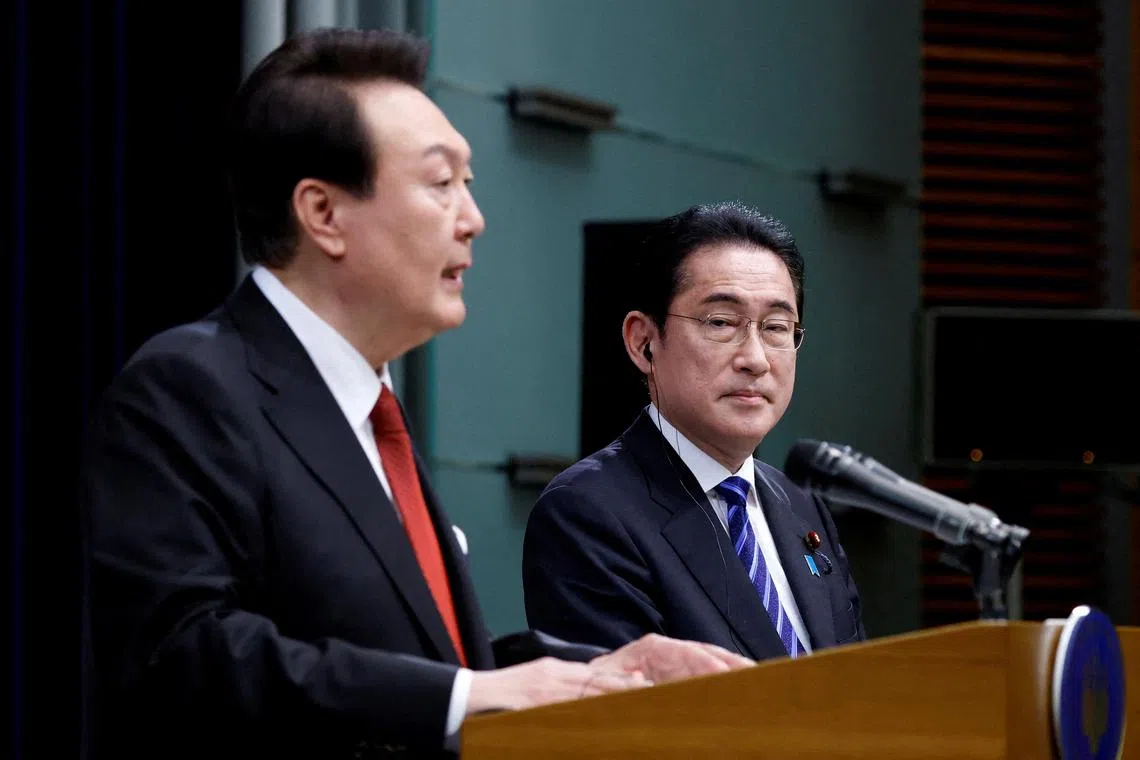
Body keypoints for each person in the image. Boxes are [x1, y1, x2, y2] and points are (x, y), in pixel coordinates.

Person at [78, 29, 752, 760]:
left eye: (468, 184)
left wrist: (596, 673)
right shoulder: (189, 388)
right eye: (441, 184)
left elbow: (408, 651)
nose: (473, 218)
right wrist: (468, 699)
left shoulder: (373, 407)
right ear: (323, 213)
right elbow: (183, 654)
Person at [522, 202, 865, 662]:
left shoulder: (802, 507)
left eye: (777, 328)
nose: (756, 359)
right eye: (721, 323)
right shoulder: (587, 513)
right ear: (644, 342)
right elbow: (631, 718)